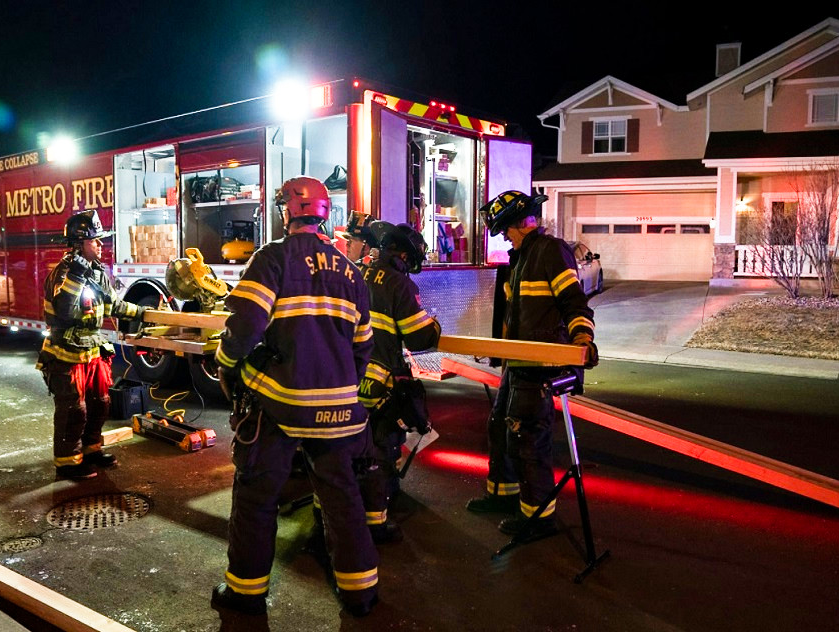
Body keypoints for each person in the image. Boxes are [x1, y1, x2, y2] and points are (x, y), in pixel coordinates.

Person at [211, 176, 379, 618]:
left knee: (256, 496)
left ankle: (246, 594)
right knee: (342, 498)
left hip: (278, 406)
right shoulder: (352, 273)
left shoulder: (273, 259)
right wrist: (340, 385)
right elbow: (363, 346)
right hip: (340, 411)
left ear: (287, 212)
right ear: (325, 215)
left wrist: (226, 363)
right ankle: (360, 593)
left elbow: (243, 328)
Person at [466, 190, 599, 541]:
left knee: (528, 439)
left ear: (522, 223)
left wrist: (582, 341)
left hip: (540, 363)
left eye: (506, 229)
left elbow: (575, 303)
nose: (504, 236)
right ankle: (503, 495)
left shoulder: (551, 253)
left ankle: (538, 516)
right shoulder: (522, 257)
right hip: (518, 362)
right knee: (500, 427)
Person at [305, 221, 440, 552]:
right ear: (405, 256)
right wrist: (433, 323)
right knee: (378, 451)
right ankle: (374, 523)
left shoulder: (354, 273)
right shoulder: (398, 283)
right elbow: (421, 336)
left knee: (335, 453)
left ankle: (322, 520)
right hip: (376, 384)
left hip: (340, 378)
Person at [36, 210, 142, 481]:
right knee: (74, 409)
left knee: (100, 402)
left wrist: (143, 313)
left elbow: (112, 305)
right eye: (95, 240)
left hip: (92, 346)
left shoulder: (97, 271)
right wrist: (77, 276)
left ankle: (91, 450)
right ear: (78, 245)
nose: (100, 245)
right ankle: (68, 463)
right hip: (66, 351)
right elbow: (63, 311)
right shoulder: (63, 274)